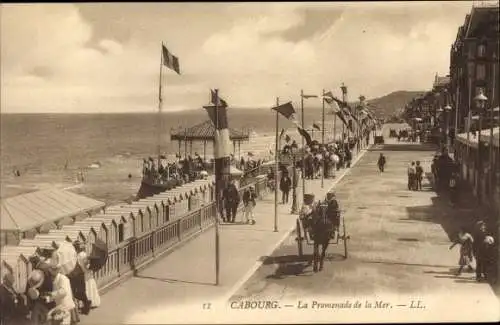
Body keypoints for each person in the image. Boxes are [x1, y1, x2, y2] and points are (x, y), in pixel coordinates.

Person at [46, 260, 76, 325]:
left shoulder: (63, 279)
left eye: (52, 271)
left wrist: (51, 294)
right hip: (60, 306)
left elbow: (63, 292)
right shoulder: (56, 279)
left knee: (64, 322)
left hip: (65, 306)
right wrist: (50, 298)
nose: (51, 273)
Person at [75, 241, 101, 312]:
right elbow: (87, 264)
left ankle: (84, 303)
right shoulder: (83, 254)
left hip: (82, 272)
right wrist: (90, 263)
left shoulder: (77, 255)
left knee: (85, 287)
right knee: (90, 285)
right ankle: (92, 301)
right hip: (87, 271)